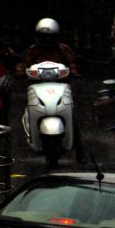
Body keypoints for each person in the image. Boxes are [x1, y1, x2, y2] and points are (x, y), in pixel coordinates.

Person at [20, 17, 85, 162]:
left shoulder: (64, 50)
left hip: (61, 86)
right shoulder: (32, 51)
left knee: (73, 115)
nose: (47, 40)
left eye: (50, 37)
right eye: (44, 37)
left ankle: (80, 151)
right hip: (37, 87)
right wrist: (20, 70)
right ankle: (30, 135)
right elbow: (21, 64)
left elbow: (74, 63)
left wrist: (74, 69)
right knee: (28, 109)